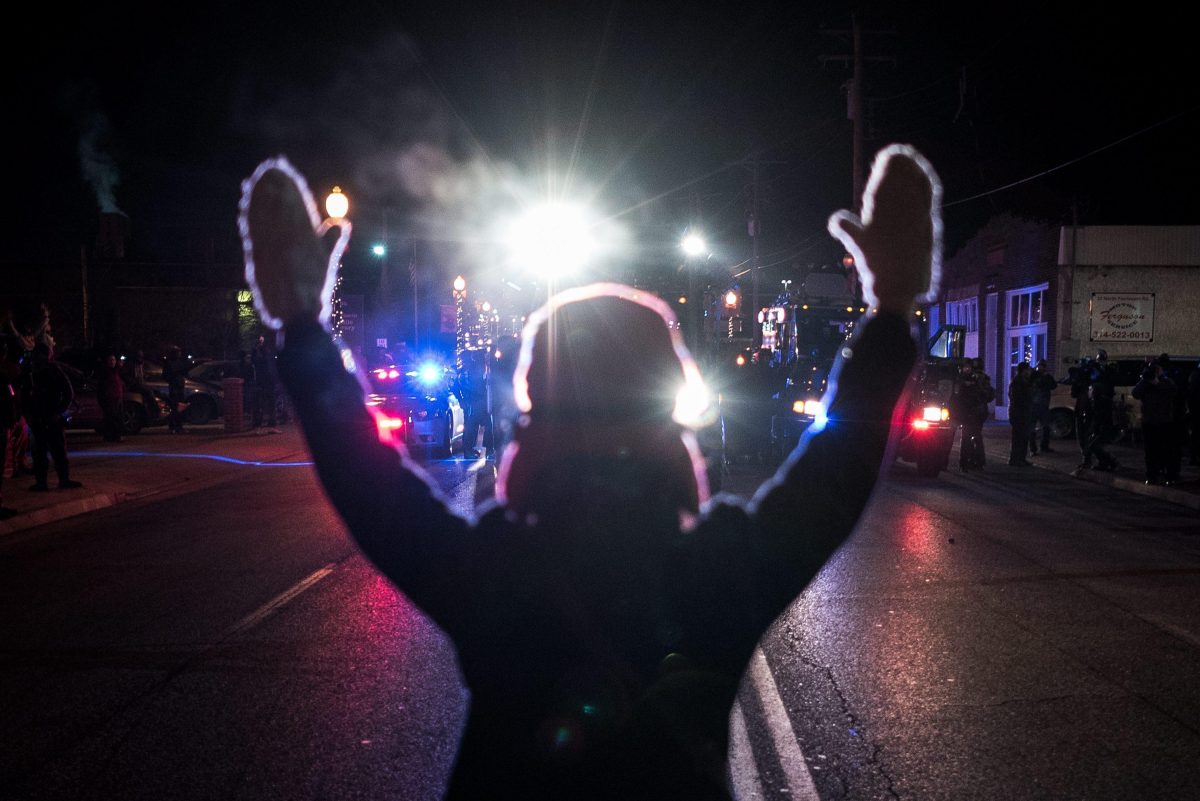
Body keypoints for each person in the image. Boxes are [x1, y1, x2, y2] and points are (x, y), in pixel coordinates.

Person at [238, 143, 939, 800]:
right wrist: (890, 312)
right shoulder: (716, 572)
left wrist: (302, 324)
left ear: (533, 418)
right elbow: (835, 469)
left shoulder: (496, 571)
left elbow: (364, 477)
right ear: (668, 420)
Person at [20, 342, 82, 491]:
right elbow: (23, 395)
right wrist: (28, 415)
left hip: (50, 417)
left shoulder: (53, 370)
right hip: (38, 418)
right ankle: (44, 482)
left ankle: (60, 480)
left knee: (56, 451)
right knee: (40, 453)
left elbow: (68, 393)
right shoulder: (30, 371)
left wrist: (58, 412)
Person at [1132, 360, 1180, 485]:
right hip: (1149, 421)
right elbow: (1135, 393)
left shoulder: (1167, 381)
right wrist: (1145, 380)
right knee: (1150, 451)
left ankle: (1169, 476)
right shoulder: (1145, 383)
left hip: (1164, 421)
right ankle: (1151, 476)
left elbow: (1173, 391)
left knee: (1166, 450)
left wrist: (1157, 382)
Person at [952, 358, 993, 471]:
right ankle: (967, 462)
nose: (967, 369)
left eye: (969, 367)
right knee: (968, 437)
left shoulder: (978, 379)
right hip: (967, 412)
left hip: (976, 412)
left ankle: (974, 462)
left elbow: (987, 394)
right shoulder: (960, 379)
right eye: (965, 367)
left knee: (974, 437)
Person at [1082, 348, 1119, 471]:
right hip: (1097, 414)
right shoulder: (1094, 376)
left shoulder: (1106, 377)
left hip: (1102, 415)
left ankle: (1110, 462)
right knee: (1093, 442)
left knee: (1095, 443)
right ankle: (1105, 462)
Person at [250, 334, 279, 432]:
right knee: (265, 402)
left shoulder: (263, 354)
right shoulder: (265, 354)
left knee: (263, 402)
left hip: (264, 381)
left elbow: (256, 361)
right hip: (265, 381)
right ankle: (267, 422)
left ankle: (263, 422)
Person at [1007, 361, 1034, 466]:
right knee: (1018, 437)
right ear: (1024, 370)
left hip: (1023, 413)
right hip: (1019, 414)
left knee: (1023, 437)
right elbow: (1018, 398)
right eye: (1028, 370)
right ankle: (1015, 459)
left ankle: (1021, 458)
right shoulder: (1018, 382)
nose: (1029, 372)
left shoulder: (1023, 381)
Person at [1028, 358, 1057, 454]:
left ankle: (1043, 446)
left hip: (1043, 405)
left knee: (1045, 427)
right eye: (1040, 366)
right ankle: (1033, 448)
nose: (1041, 368)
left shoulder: (1046, 377)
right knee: (1033, 428)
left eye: (1043, 366)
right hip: (1034, 405)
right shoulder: (1033, 376)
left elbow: (1053, 385)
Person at [97, 350, 126, 442]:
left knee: (116, 417)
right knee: (112, 417)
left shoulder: (115, 372)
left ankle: (112, 435)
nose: (113, 362)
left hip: (117, 397)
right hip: (110, 398)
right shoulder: (106, 372)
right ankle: (113, 436)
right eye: (111, 360)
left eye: (114, 360)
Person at [162, 345, 192, 434]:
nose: (179, 354)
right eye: (178, 352)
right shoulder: (169, 363)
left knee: (180, 407)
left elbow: (184, 373)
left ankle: (178, 426)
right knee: (175, 407)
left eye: (179, 352)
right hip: (174, 388)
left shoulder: (180, 362)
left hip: (180, 387)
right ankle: (173, 426)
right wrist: (173, 378)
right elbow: (165, 376)